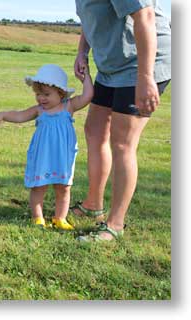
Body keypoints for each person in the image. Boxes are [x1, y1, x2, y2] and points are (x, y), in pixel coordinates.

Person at [72, 0, 171, 241]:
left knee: (122, 143)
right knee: (94, 130)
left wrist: (146, 78)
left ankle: (115, 225)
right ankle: (93, 204)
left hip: (143, 62)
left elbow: (145, 17)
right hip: (112, 66)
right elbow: (90, 18)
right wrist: (82, 51)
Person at [0, 64, 93, 230]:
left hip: (62, 156)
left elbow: (87, 96)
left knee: (63, 188)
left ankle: (60, 218)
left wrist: (86, 78)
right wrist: (4, 115)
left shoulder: (68, 106)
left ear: (61, 92)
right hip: (42, 155)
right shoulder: (39, 110)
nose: (42, 98)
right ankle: (38, 218)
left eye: (47, 94)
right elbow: (20, 115)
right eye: (38, 94)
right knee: (38, 187)